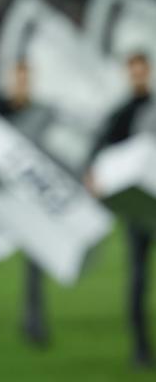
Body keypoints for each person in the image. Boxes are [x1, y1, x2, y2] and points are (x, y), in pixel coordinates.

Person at [86, 53, 154, 368]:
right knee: (138, 278)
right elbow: (97, 154)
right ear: (129, 74)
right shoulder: (121, 114)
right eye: (135, 72)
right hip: (138, 210)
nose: (139, 77)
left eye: (144, 71)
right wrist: (94, 177)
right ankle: (140, 348)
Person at [0, 61, 54, 346]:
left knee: (35, 259)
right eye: (17, 80)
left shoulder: (42, 113)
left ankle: (33, 320)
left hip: (31, 199)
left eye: (25, 80)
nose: (21, 85)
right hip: (4, 196)